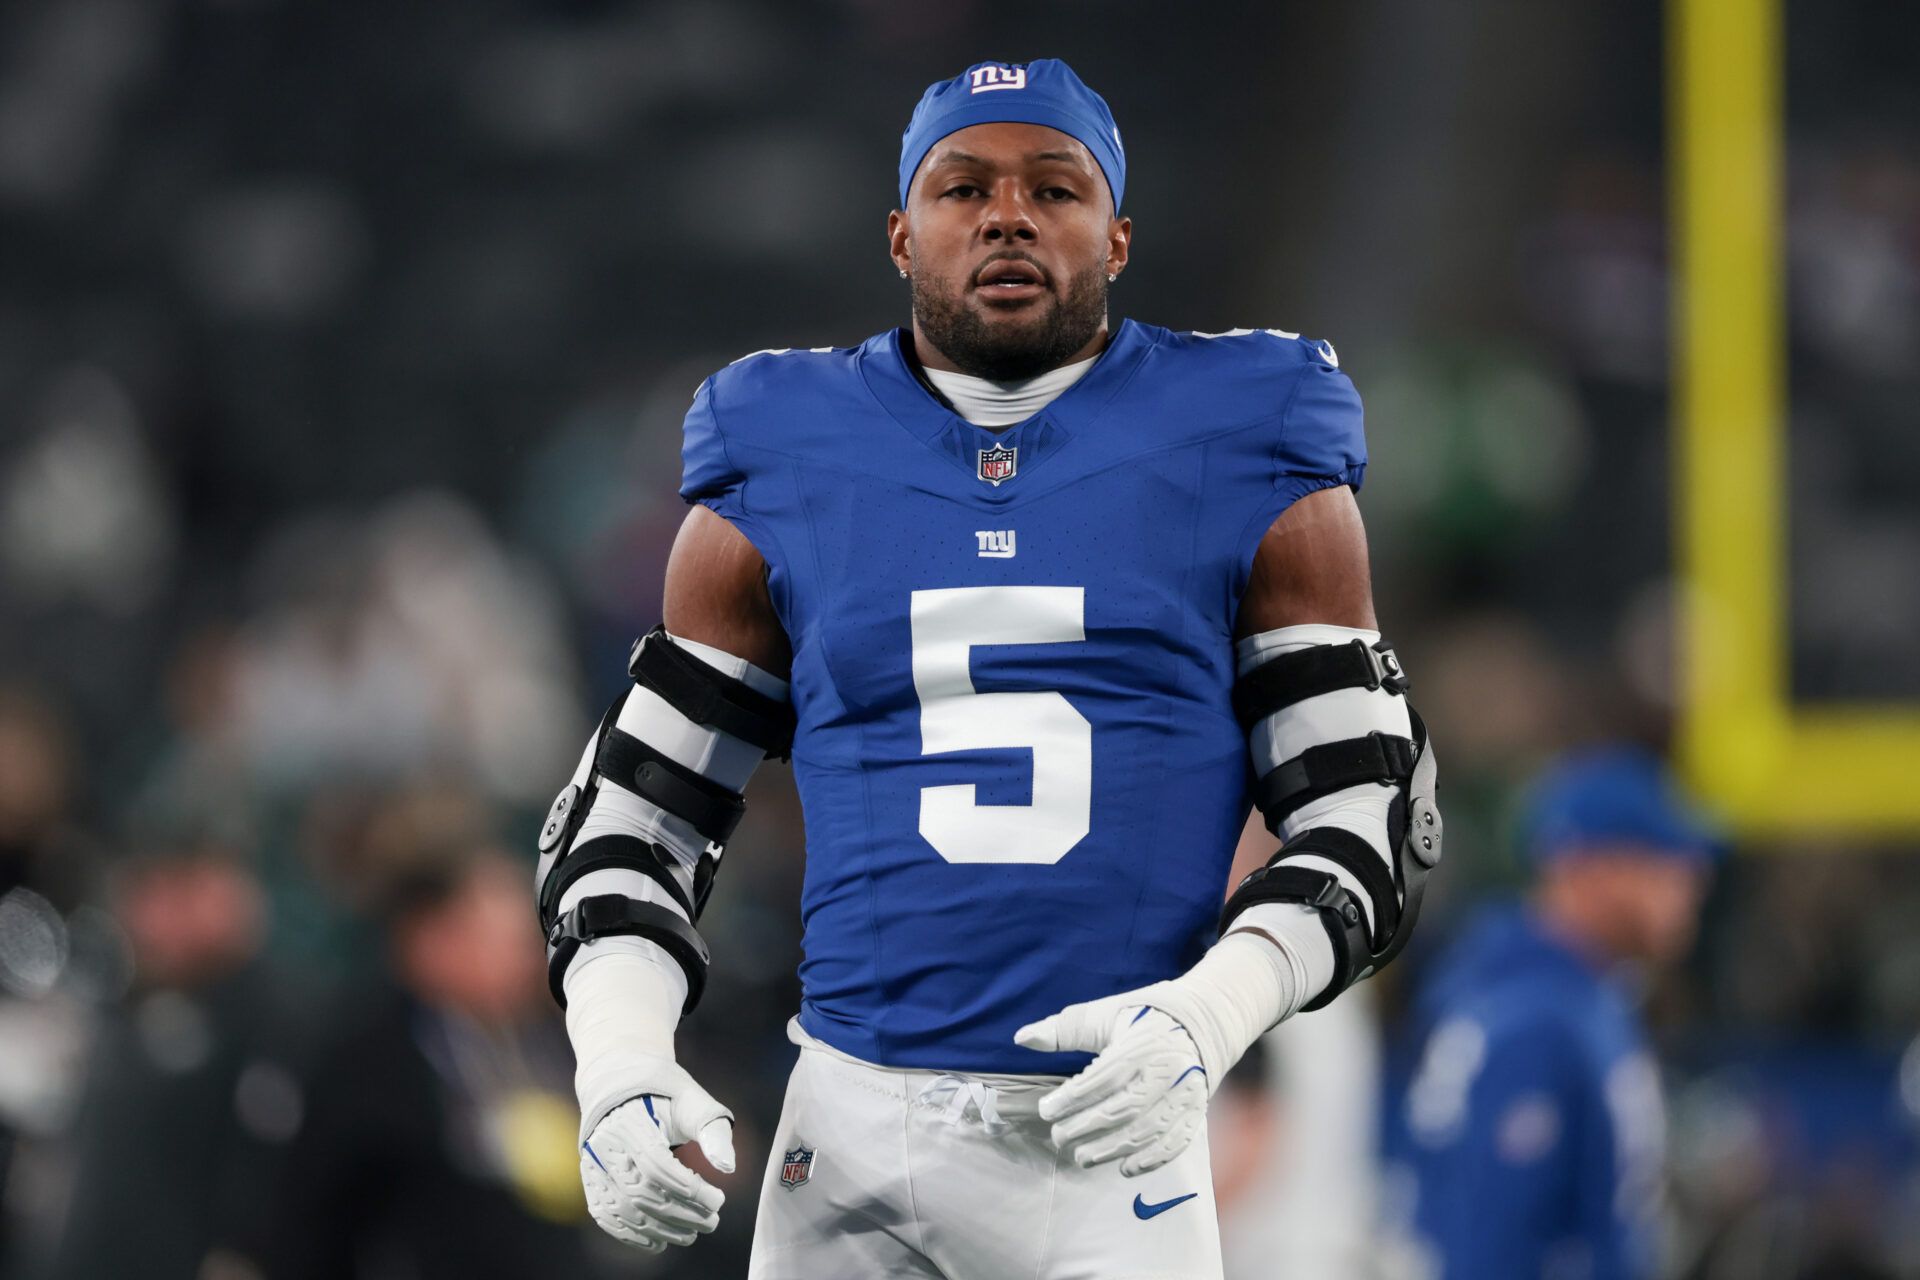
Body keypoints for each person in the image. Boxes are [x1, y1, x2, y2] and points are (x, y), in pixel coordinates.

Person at [534, 58, 1441, 1279]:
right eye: (963, 187)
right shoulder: (784, 450)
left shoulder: (1248, 434)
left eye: (1053, 188)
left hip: (1113, 1134)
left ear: (1117, 237)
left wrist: (1207, 1013)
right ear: (902, 236)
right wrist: (621, 1058)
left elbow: (1370, 810)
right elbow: (634, 816)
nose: (1007, 214)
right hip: (849, 1133)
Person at [1383, 746, 1720, 1280]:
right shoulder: (1536, 1019)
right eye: (1662, 855)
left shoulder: (1569, 997)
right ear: (1590, 867)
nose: (1692, 877)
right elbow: (1492, 1250)